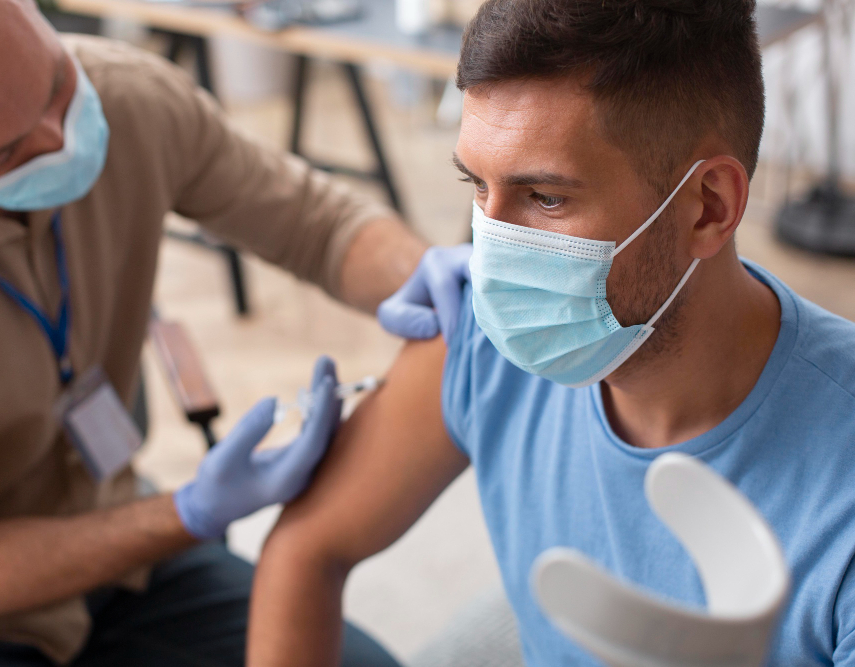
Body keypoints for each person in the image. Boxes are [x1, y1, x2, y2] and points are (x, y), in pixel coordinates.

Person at [0, 0, 471, 665]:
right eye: (7, 152)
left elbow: (317, 224)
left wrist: (431, 277)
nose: (60, 137)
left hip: (118, 553)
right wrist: (192, 511)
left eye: (56, 86)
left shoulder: (127, 97)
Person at [248, 1, 855, 665]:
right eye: (477, 186)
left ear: (708, 206)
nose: (492, 256)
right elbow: (307, 546)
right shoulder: (483, 333)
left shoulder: (836, 495)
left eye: (545, 198)